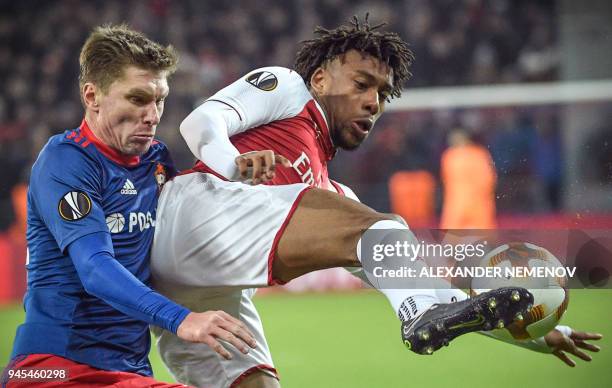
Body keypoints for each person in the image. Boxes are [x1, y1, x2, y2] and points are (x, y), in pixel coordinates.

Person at [151, 16, 601, 388]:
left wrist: (537, 335)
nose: (373, 103)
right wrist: (232, 163)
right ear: (322, 78)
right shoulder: (290, 89)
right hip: (188, 215)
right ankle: (417, 316)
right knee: (383, 229)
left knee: (258, 384)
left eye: (383, 95)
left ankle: (419, 314)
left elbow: (426, 285)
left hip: (195, 289)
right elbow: (201, 122)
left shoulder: (330, 199)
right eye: (363, 84)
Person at [4, 25, 257, 388]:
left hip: (130, 368)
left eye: (160, 99)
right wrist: (181, 319)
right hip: (54, 367)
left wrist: (241, 172)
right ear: (92, 96)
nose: (153, 115)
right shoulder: (66, 162)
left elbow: (190, 224)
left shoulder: (156, 161)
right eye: (138, 99)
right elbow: (94, 267)